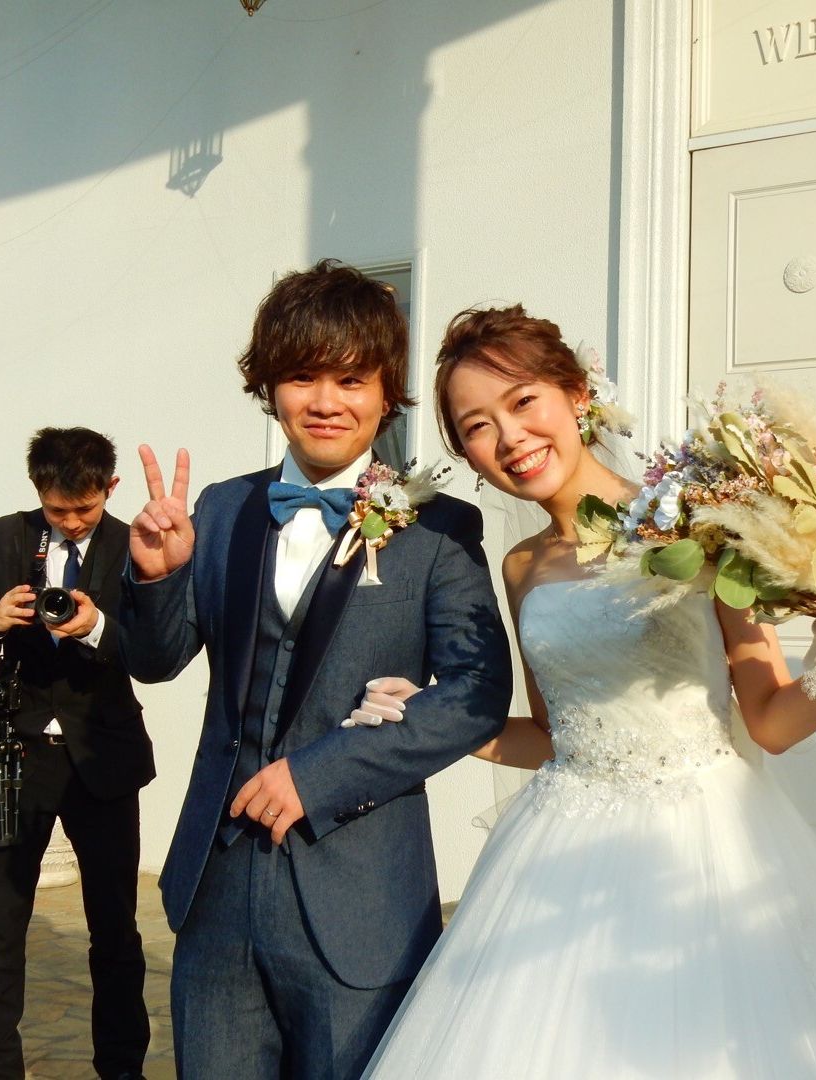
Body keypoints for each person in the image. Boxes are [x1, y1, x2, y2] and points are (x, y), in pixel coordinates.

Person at [354, 305, 816, 1078]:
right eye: (477, 426)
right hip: (560, 852)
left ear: (576, 394)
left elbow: (770, 723)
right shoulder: (521, 566)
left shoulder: (700, 525)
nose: (509, 437)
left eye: (523, 401)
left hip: (703, 848)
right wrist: (431, 718)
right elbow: (555, 736)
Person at [119, 259, 513, 1080]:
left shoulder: (439, 529)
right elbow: (156, 662)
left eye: (351, 379)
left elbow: (476, 694)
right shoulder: (222, 507)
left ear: (387, 391)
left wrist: (320, 774)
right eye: (303, 377)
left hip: (360, 896)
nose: (326, 401)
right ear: (269, 387)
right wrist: (158, 576)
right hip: (217, 888)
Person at [0, 427, 155, 1080]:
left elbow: (154, 649)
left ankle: (120, 1068)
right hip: (15, 753)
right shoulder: (3, 537)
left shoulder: (134, 543)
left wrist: (97, 626)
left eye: (84, 509)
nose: (70, 522)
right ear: (37, 490)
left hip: (103, 756)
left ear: (110, 488)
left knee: (116, 928)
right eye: (56, 509)